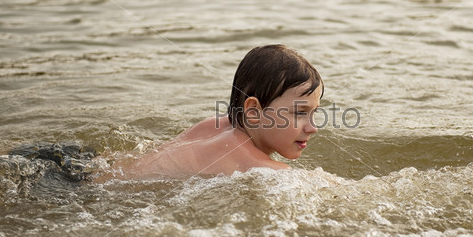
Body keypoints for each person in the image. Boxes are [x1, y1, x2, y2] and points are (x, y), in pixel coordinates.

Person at [97, 44, 323, 180]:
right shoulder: (243, 158)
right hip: (90, 193)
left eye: (313, 113)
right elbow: (317, 185)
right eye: (299, 113)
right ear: (253, 112)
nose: (313, 127)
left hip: (95, 170)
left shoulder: (215, 125)